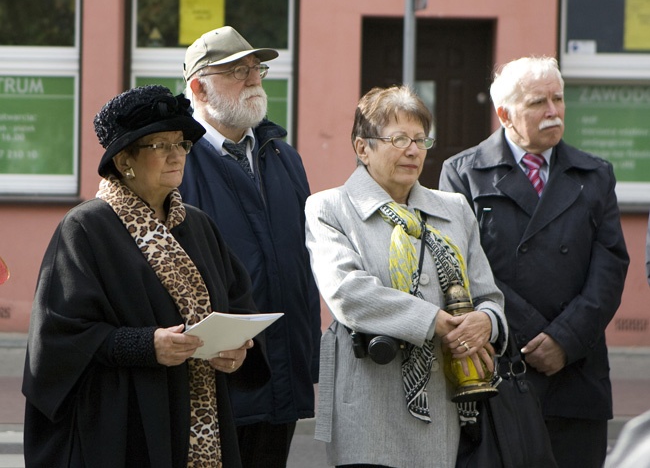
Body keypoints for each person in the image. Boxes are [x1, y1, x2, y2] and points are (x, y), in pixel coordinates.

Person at [22, 85, 270, 468]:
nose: (177, 155)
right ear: (124, 161)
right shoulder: (86, 228)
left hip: (203, 423)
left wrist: (237, 352)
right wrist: (144, 345)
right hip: (123, 423)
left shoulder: (198, 225)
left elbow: (238, 304)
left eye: (182, 144)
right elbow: (56, 339)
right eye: (159, 145)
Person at [439, 56, 630, 468]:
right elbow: (459, 268)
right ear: (504, 114)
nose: (553, 112)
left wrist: (565, 338)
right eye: (538, 103)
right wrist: (527, 338)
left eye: (558, 99)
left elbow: (610, 266)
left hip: (576, 370)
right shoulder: (463, 174)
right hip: (502, 368)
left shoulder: (595, 175)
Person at [304, 85, 507, 467]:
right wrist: (437, 322)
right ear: (362, 148)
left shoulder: (454, 208)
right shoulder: (330, 207)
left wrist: (485, 322)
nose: (413, 151)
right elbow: (348, 293)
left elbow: (489, 297)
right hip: (368, 407)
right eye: (399, 139)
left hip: (444, 406)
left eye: (420, 139)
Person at [180, 26, 321, 466]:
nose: (254, 78)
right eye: (237, 71)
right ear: (199, 87)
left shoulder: (283, 155)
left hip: (282, 367)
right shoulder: (176, 160)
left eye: (256, 68)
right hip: (215, 373)